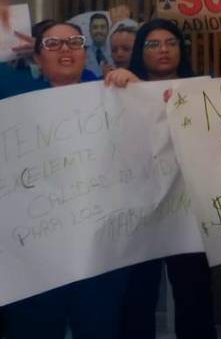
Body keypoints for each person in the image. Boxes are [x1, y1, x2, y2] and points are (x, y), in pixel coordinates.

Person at [2, 20, 129, 339]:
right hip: (33, 250)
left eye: (74, 42)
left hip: (96, 248)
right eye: (53, 45)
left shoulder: (112, 93)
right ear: (37, 56)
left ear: (86, 52)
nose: (65, 50)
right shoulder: (14, 97)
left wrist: (135, 85)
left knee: (98, 325)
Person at [103, 20, 218, 339]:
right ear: (140, 51)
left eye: (171, 42)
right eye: (153, 44)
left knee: (194, 294)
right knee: (138, 295)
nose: (163, 49)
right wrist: (130, 88)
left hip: (189, 212)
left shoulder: (202, 90)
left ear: (182, 48)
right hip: (140, 210)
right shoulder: (121, 89)